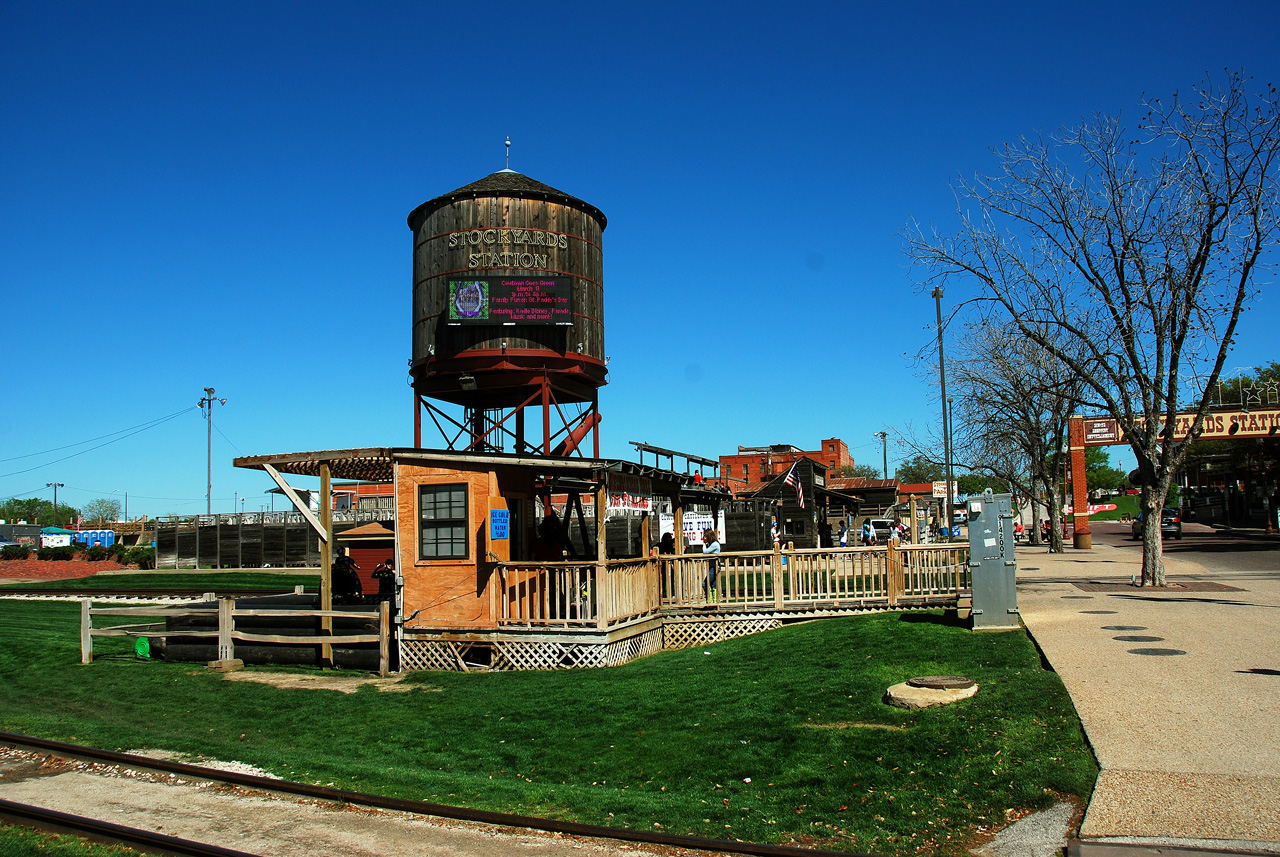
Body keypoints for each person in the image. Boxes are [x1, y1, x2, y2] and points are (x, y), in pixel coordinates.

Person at [702, 527, 721, 604]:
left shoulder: (715, 544)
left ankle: (710, 601)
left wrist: (704, 544)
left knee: (705, 583)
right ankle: (713, 602)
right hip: (712, 566)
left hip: (714, 567)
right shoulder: (712, 544)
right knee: (713, 584)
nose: (704, 538)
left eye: (705, 536)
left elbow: (705, 552)